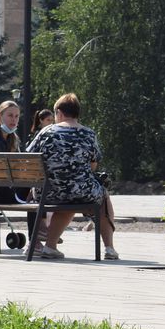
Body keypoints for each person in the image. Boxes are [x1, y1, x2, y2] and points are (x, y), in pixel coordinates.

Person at [25, 93, 118, 260]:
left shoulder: (46, 132)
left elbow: (30, 158)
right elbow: (93, 166)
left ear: (59, 113)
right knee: (102, 195)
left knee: (68, 197)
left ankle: (50, 247)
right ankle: (109, 248)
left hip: (47, 192)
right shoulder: (89, 134)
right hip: (80, 191)